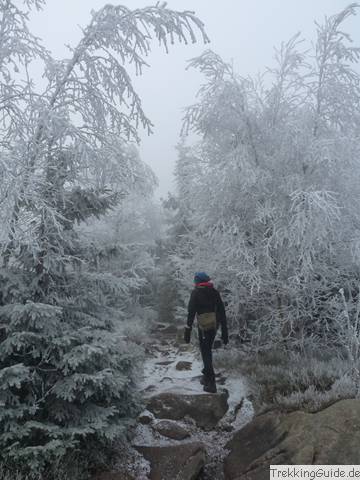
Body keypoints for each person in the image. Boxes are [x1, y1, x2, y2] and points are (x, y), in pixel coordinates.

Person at [184, 272, 228, 393]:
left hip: (203, 327)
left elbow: (191, 312)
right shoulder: (214, 292)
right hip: (214, 325)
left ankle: (211, 383)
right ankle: (206, 375)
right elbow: (222, 312)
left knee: (205, 352)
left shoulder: (196, 293)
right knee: (207, 349)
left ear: (198, 281)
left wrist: (187, 330)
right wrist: (224, 331)